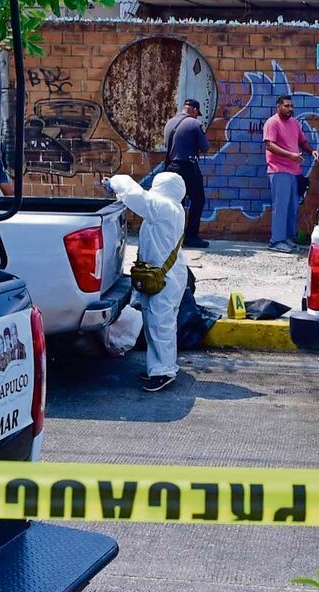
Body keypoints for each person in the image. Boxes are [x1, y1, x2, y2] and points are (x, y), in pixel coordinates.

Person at [104, 172, 187, 392]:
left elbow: (134, 194)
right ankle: (158, 367)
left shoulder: (163, 207)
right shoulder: (172, 208)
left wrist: (114, 182)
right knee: (159, 323)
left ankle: (163, 372)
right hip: (168, 276)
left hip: (164, 279)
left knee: (161, 324)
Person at [263, 95, 319, 254]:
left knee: (291, 207)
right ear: (278, 107)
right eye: (286, 106)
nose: (290, 109)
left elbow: (302, 141)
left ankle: (288, 238)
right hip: (278, 170)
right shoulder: (272, 123)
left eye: (291, 106)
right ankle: (276, 241)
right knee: (280, 207)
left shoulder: (294, 123)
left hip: (294, 171)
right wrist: (290, 155)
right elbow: (269, 145)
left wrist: (312, 150)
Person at [163, 99, 210, 249]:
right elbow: (205, 147)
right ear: (195, 111)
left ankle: (174, 236)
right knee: (198, 200)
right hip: (187, 167)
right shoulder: (195, 124)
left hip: (171, 166)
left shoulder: (170, 122)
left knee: (177, 203)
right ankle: (191, 236)